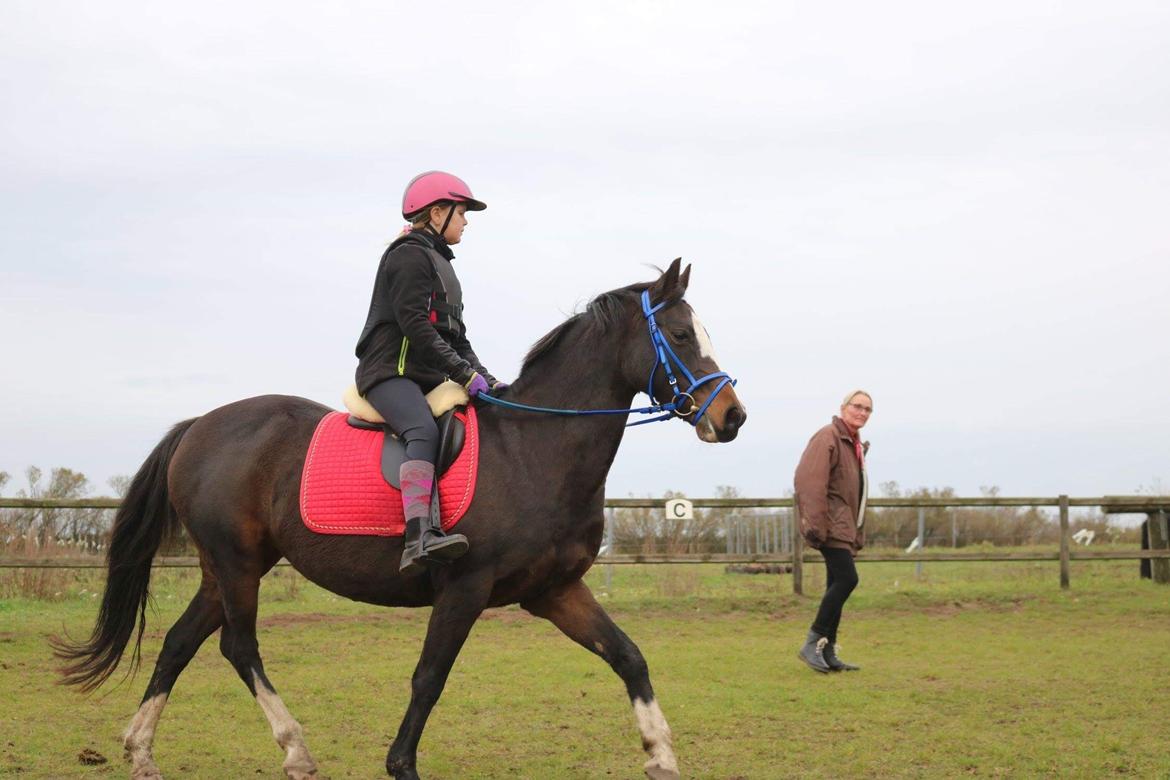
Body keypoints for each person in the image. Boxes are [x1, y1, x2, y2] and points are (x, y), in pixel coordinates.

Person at [354, 171, 506, 575]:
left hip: (425, 375)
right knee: (422, 431)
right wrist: (460, 373)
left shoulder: (442, 264)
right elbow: (415, 327)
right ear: (437, 212)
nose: (466, 221)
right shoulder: (408, 255)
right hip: (390, 372)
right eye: (462, 213)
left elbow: (457, 338)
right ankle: (418, 536)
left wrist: (487, 380)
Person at [793, 390, 872, 673]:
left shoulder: (853, 444)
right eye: (857, 406)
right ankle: (812, 641)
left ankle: (827, 651)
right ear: (843, 408)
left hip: (843, 526)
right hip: (830, 525)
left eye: (867, 409)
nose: (861, 412)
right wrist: (816, 525)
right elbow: (808, 481)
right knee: (848, 579)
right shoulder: (828, 437)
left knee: (835, 585)